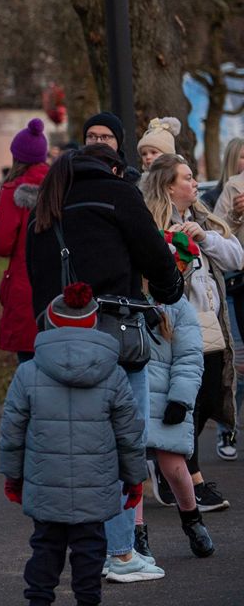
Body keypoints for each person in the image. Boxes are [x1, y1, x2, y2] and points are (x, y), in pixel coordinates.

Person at [26, 145, 183, 583]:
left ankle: (76, 555)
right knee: (122, 446)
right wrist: (171, 289)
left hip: (57, 340)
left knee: (72, 452)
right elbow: (156, 256)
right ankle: (120, 552)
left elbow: (32, 273)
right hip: (115, 340)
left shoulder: (48, 201)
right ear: (113, 168)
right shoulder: (118, 193)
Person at [0, 282, 147, 606]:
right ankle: (87, 600)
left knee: (45, 547)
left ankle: (38, 600)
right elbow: (129, 433)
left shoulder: (28, 372)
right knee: (90, 549)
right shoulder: (114, 373)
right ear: (94, 323)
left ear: (50, 322)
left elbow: (12, 430)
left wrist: (13, 477)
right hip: (96, 484)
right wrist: (134, 479)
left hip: (45, 481)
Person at [141, 153, 242, 512]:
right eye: (186, 178)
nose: (195, 183)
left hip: (211, 321)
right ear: (169, 186)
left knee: (211, 396)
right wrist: (170, 244)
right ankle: (188, 477)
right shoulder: (151, 221)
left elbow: (236, 258)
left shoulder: (202, 218)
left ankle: (165, 458)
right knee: (187, 399)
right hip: (174, 323)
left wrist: (204, 238)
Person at [143, 284, 213, 557]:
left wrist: (180, 399)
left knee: (174, 467)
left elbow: (189, 358)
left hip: (166, 400)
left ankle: (192, 520)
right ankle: (136, 535)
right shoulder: (119, 300)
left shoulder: (178, 306)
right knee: (130, 473)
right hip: (129, 399)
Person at [0, 119, 50, 363]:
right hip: (61, 284)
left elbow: (1, 244)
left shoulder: (14, 190)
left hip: (25, 285)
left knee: (29, 363)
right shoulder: (61, 185)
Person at [209, 137, 244, 460]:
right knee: (236, 362)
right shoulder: (220, 193)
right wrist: (234, 216)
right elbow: (221, 242)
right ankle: (226, 429)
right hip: (231, 287)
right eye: (242, 158)